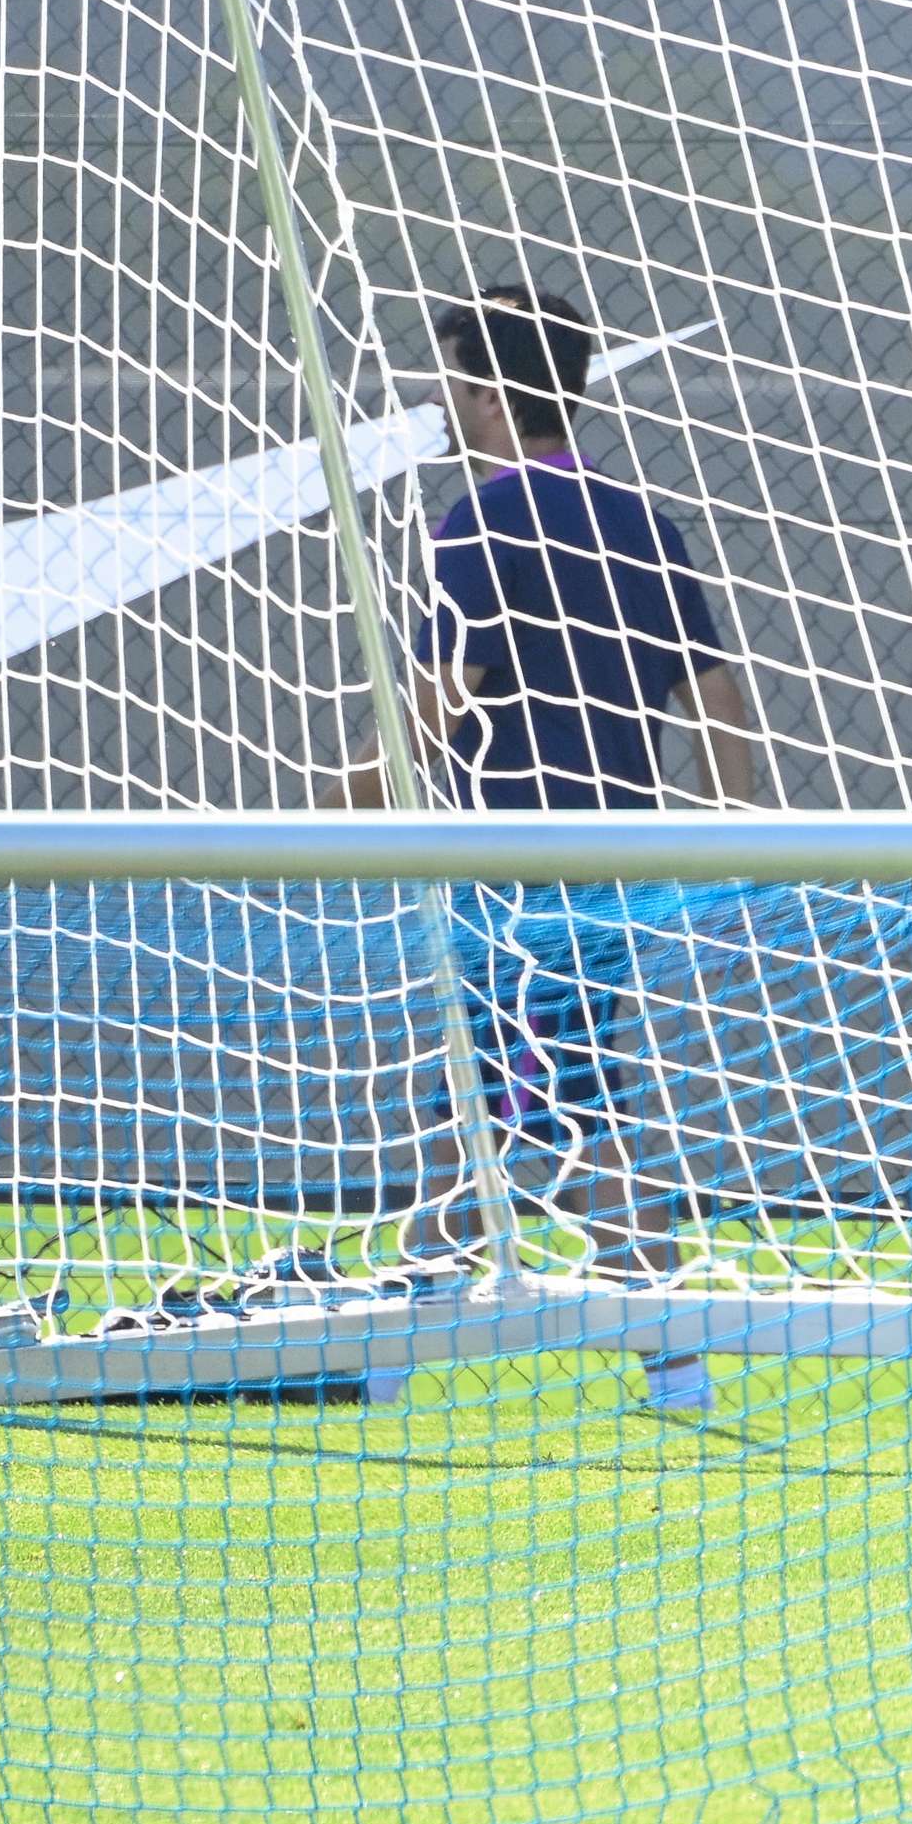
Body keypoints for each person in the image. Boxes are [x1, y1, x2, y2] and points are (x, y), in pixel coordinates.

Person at [340, 284, 760, 1410]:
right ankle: (403, 1344)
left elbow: (442, 695)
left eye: (451, 376)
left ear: (483, 393)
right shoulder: (641, 521)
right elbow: (720, 704)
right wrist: (722, 847)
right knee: (480, 1104)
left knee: (564, 1121)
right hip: (605, 873)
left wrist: (355, 795)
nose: (440, 398)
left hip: (515, 879)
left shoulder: (479, 526)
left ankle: (670, 1363)